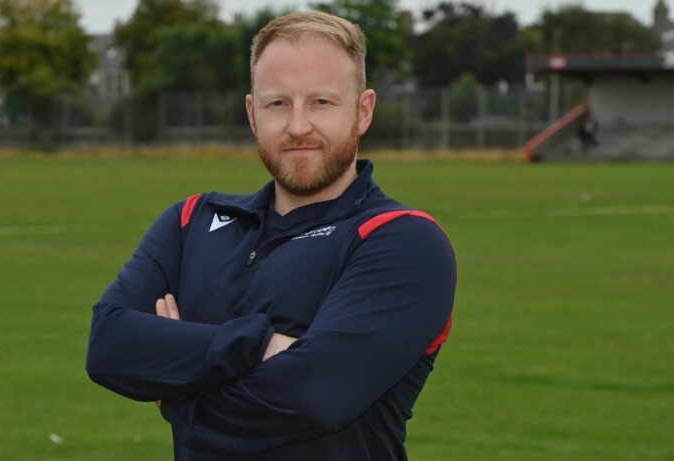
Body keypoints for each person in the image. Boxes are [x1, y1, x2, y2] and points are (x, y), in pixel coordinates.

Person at [86, 10, 456, 461]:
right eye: (278, 103)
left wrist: (178, 387)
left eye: (322, 102)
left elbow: (317, 396)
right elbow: (108, 346)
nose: (298, 125)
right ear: (252, 113)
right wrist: (258, 343)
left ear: (363, 111)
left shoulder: (403, 240)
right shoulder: (191, 220)